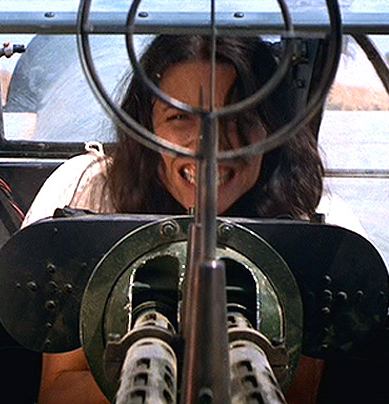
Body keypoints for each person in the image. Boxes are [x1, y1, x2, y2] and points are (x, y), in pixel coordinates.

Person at [24, 35, 346, 404]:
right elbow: (58, 391)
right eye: (179, 117)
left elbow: (299, 393)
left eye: (238, 116)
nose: (210, 144)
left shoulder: (312, 221)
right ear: (147, 127)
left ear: (271, 129)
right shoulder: (92, 191)